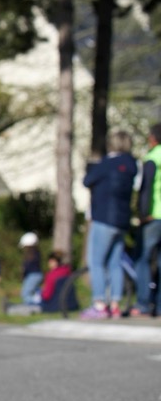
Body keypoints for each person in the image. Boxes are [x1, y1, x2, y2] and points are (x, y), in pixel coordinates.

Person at [81, 129, 137, 319]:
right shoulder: (131, 166)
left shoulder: (106, 164)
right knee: (115, 263)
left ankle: (99, 304)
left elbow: (87, 181)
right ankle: (115, 305)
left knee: (96, 262)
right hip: (122, 220)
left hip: (104, 218)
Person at [131, 123, 161, 318]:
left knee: (141, 259)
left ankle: (143, 303)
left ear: (152, 138)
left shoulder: (152, 158)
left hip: (154, 215)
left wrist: (143, 213)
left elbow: (146, 188)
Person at [18, 232, 43, 306]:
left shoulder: (33, 255)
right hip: (34, 275)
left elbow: (28, 266)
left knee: (25, 294)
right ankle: (36, 302)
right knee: (33, 292)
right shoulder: (35, 253)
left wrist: (23, 270)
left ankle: (35, 304)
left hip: (33, 275)